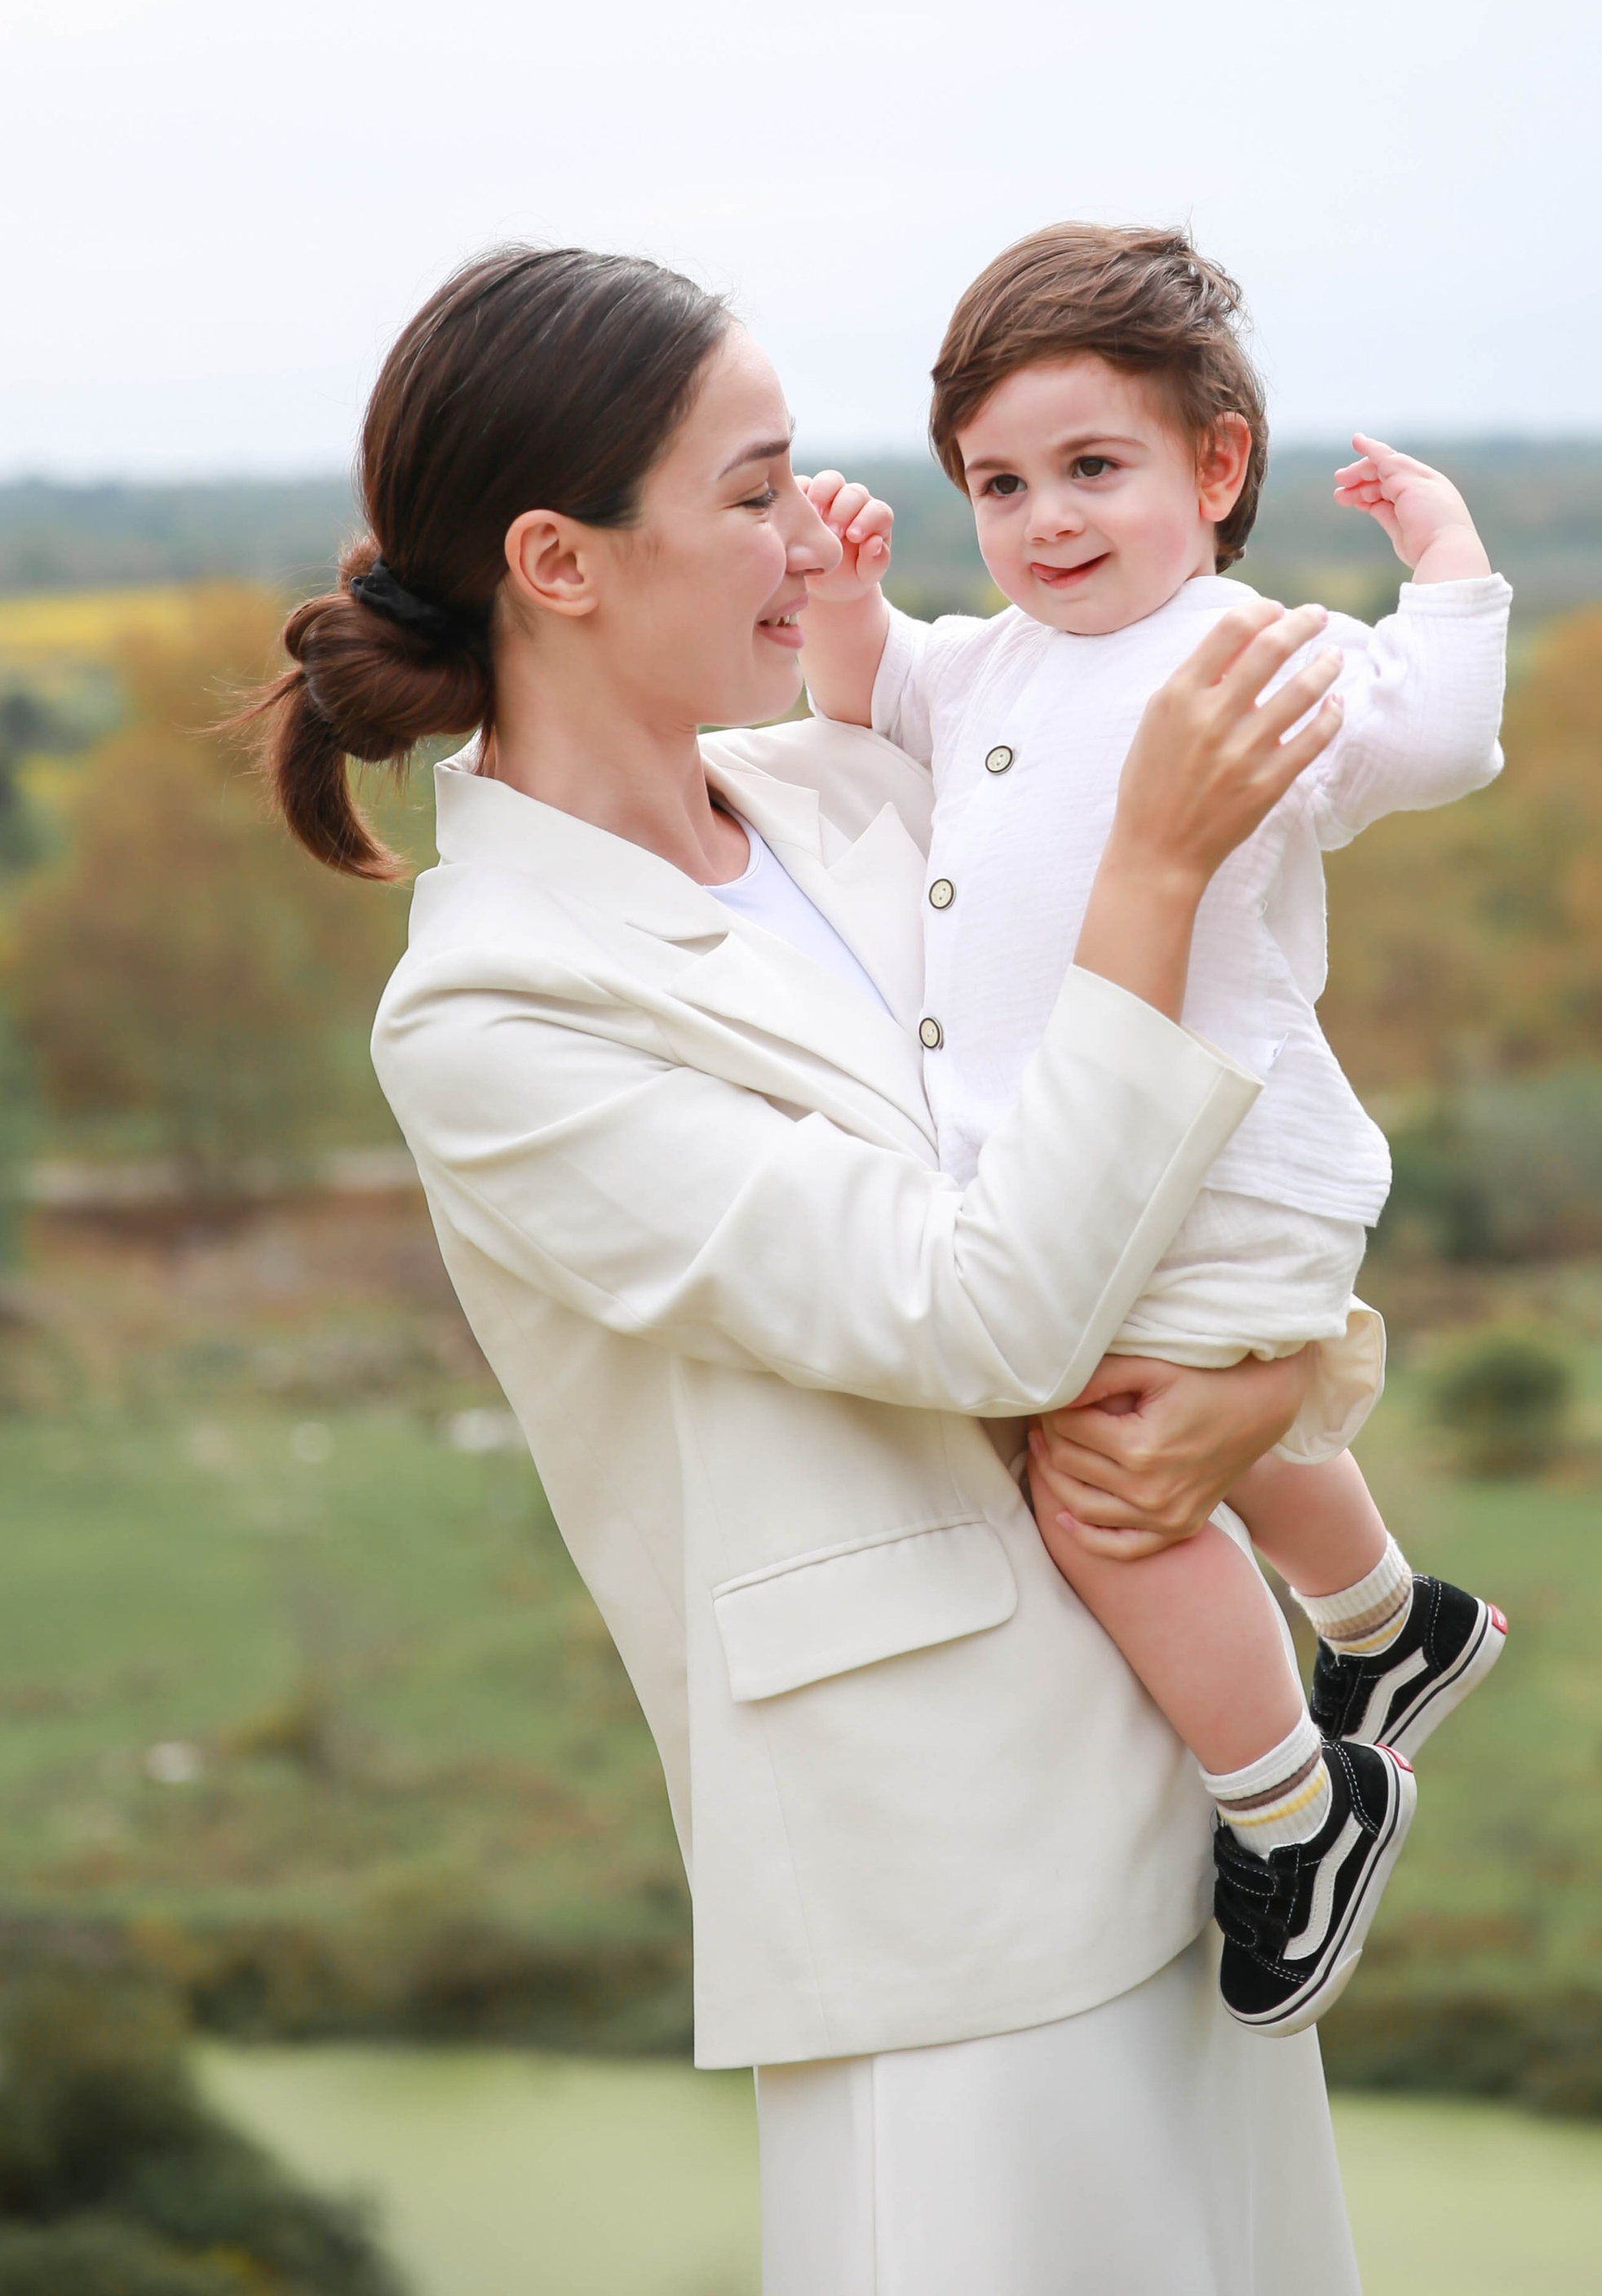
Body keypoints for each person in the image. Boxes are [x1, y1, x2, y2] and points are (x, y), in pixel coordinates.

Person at [250, 242, 1368, 2296]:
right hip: (939, 1888)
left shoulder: (840, 784)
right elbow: (977, 1311)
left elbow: (1152, 1179)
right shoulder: (494, 1018)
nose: (816, 534)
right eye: (753, 490)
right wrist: (1150, 865)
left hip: (1196, 1817)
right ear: (559, 564)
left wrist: (1277, 1380)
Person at [798, 223, 1512, 2035]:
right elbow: (865, 708)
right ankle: (1383, 1624)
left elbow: (1433, 745)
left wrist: (1444, 567)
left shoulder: (1252, 654)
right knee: (1173, 1424)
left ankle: (1294, 1804)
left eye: (1092, 469)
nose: (1045, 520)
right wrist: (842, 601)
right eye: (999, 484)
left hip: (1223, 1154)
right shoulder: (985, 669)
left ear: (1214, 467)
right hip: (1080, 1163)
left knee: (1111, 1490)